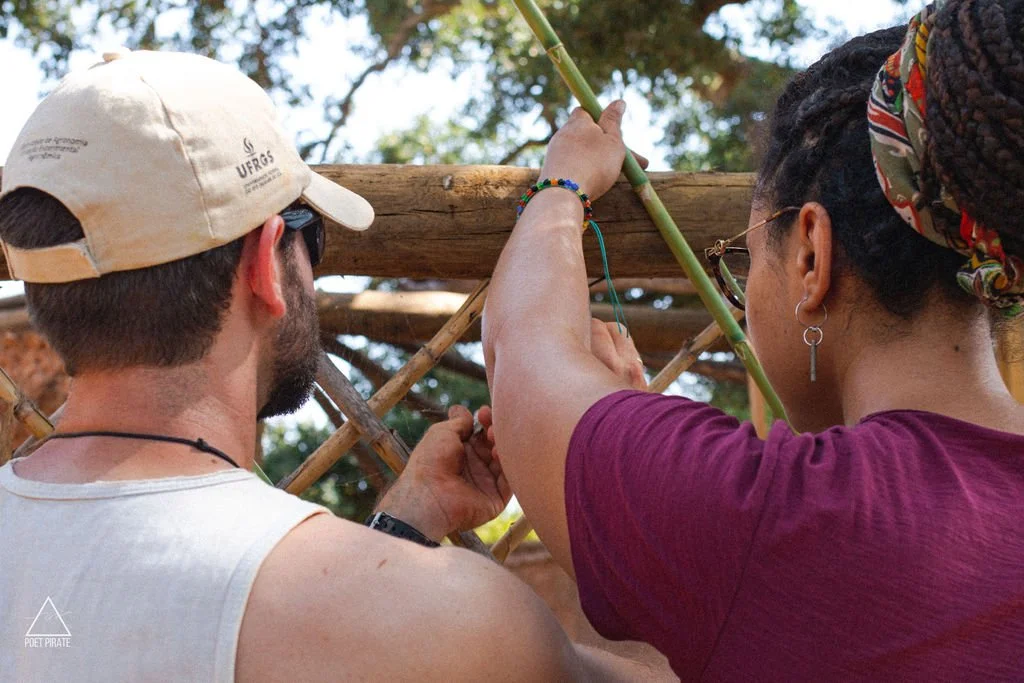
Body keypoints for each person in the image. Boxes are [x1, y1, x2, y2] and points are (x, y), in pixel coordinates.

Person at [0, 50, 669, 682]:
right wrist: (618, 481)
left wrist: (398, 532)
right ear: (267, 262)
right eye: (309, 237)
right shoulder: (455, 621)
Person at [483, 0, 1024, 679]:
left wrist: (562, 182)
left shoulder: (767, 517)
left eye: (743, 256)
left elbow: (520, 347)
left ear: (810, 257)